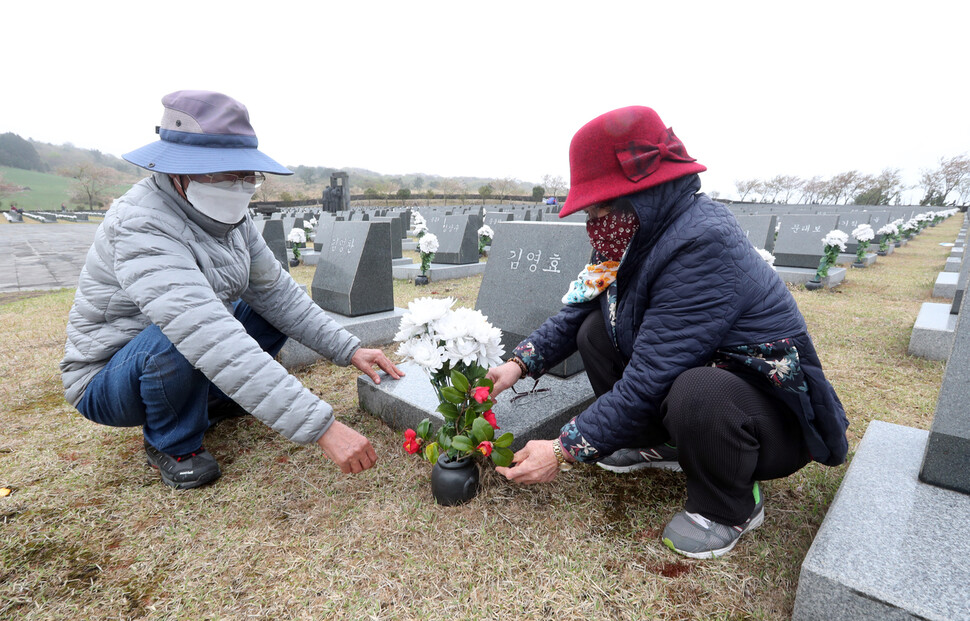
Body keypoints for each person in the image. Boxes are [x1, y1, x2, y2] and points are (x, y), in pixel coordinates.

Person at [488, 106, 848, 559]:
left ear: (639, 193)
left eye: (601, 204)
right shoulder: (631, 236)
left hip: (761, 414)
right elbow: (576, 312)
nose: (594, 219)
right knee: (596, 330)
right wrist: (515, 365)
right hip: (700, 380)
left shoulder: (703, 241)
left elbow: (651, 376)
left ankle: (730, 504)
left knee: (697, 390)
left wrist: (562, 449)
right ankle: (654, 444)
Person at [60, 90, 403, 490]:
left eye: (245, 175)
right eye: (221, 173)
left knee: (266, 312)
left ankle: (212, 404)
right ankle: (171, 443)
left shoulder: (231, 218)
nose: (237, 186)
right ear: (179, 171)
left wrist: (350, 348)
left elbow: (278, 294)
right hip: (112, 374)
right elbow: (205, 331)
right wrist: (322, 427)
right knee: (179, 338)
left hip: (179, 344)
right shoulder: (141, 223)